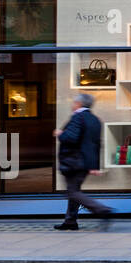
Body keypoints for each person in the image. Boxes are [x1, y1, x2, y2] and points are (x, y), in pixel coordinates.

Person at [52, 93, 113, 230]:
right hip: (85, 161)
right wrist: (94, 165)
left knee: (72, 192)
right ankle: (70, 221)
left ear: (78, 104)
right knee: (74, 191)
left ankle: (102, 210)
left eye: (74, 102)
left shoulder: (77, 117)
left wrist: (60, 134)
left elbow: (71, 138)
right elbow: (96, 144)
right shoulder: (95, 119)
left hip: (73, 161)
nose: (72, 105)